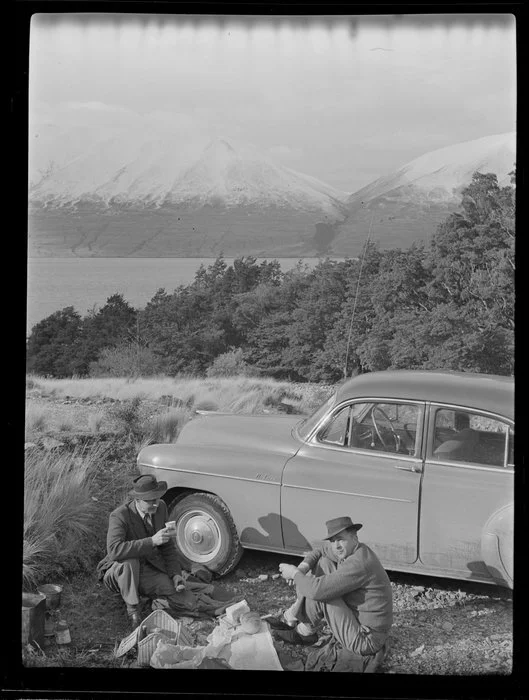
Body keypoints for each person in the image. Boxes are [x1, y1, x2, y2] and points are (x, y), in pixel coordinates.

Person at [269, 516, 393, 672]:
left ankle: (301, 629)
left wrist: (294, 574)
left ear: (354, 537)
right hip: (358, 622)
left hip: (367, 639)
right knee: (324, 562)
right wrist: (301, 569)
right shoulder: (352, 549)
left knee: (323, 594)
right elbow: (320, 551)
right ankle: (297, 622)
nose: (336, 546)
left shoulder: (360, 562)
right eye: (333, 541)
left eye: (340, 539)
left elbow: (317, 591)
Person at [96, 474, 199, 628]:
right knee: (130, 562)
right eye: (150, 500)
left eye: (157, 498)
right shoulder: (120, 516)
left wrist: (175, 573)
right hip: (119, 571)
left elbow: (167, 545)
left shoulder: (161, 506)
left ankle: (146, 595)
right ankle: (133, 611)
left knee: (185, 599)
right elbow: (114, 551)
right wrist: (152, 541)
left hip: (148, 568)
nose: (156, 504)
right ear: (137, 500)